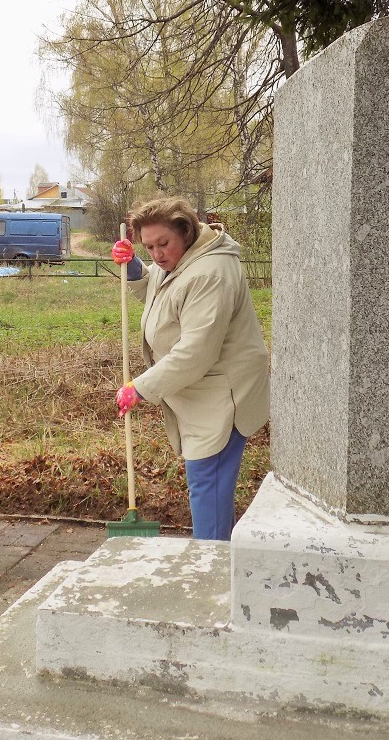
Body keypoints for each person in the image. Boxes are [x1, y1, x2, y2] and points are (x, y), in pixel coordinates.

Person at [111, 196, 269, 540]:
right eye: (148, 247)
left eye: (163, 244)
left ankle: (211, 564)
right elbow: (162, 292)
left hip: (223, 398)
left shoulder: (211, 273)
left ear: (186, 232)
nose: (156, 254)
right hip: (200, 393)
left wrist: (139, 388)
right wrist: (135, 269)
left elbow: (194, 353)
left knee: (207, 485)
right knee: (210, 488)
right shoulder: (182, 260)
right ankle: (219, 555)